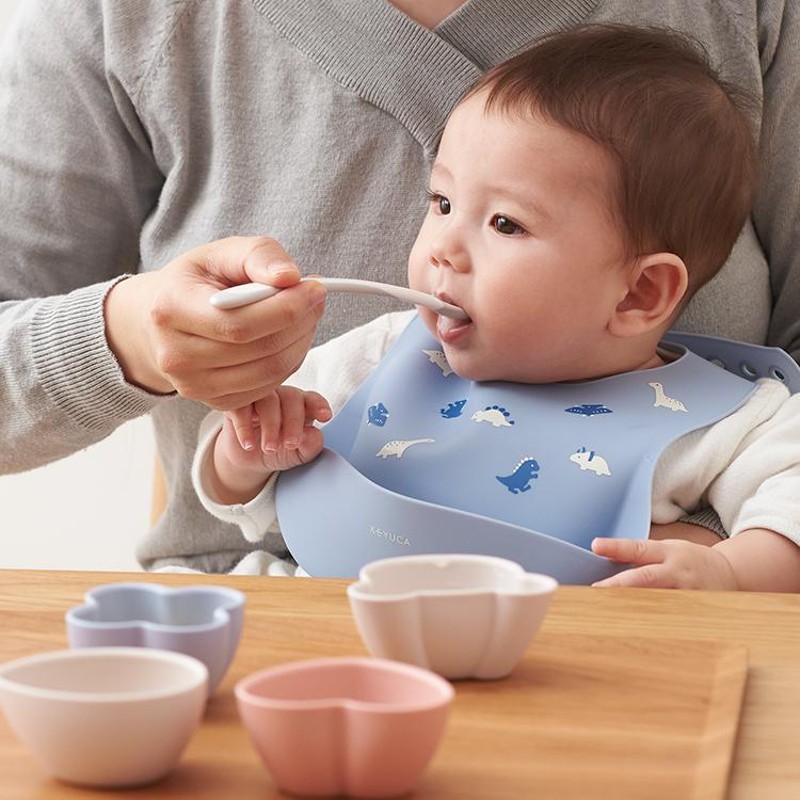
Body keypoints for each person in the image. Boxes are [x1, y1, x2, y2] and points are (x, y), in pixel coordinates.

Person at [1, 2, 798, 575]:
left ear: (640, 295)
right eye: (442, 203)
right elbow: (245, 491)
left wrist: (731, 574)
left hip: (582, 668)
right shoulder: (385, 356)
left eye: (506, 225)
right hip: (307, 623)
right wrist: (244, 451)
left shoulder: (724, 415)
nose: (442, 247)